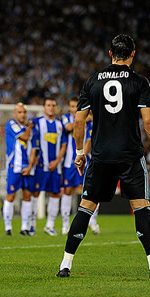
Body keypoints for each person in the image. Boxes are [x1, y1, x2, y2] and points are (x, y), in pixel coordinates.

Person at [57, 34, 150, 280]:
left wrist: (80, 152)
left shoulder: (92, 82)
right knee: (141, 208)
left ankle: (65, 265)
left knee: (85, 208)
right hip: (130, 156)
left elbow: (78, 120)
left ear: (110, 54)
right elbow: (148, 120)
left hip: (101, 156)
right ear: (133, 54)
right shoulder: (139, 82)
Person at [33, 97, 67, 236]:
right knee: (35, 193)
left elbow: (64, 145)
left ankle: (50, 225)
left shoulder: (60, 125)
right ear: (44, 107)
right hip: (41, 166)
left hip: (56, 166)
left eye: (53, 105)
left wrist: (57, 160)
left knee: (55, 194)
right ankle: (31, 225)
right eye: (48, 105)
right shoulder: (37, 123)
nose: (51, 107)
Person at [61, 96, 93, 235]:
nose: (74, 109)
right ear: (69, 107)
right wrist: (83, 119)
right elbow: (69, 127)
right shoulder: (65, 118)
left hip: (85, 159)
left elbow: (89, 140)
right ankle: (65, 224)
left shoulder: (90, 121)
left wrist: (83, 156)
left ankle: (91, 222)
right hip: (69, 161)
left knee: (89, 191)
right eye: (72, 106)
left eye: (76, 106)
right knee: (67, 191)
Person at [3, 103, 35, 236]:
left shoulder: (30, 128)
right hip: (14, 166)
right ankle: (8, 227)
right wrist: (30, 127)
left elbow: (33, 149)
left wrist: (30, 166)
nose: (22, 115)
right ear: (15, 114)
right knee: (11, 195)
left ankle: (24, 227)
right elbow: (25, 137)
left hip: (27, 167)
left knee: (27, 195)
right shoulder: (11, 124)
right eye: (20, 112)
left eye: (24, 112)